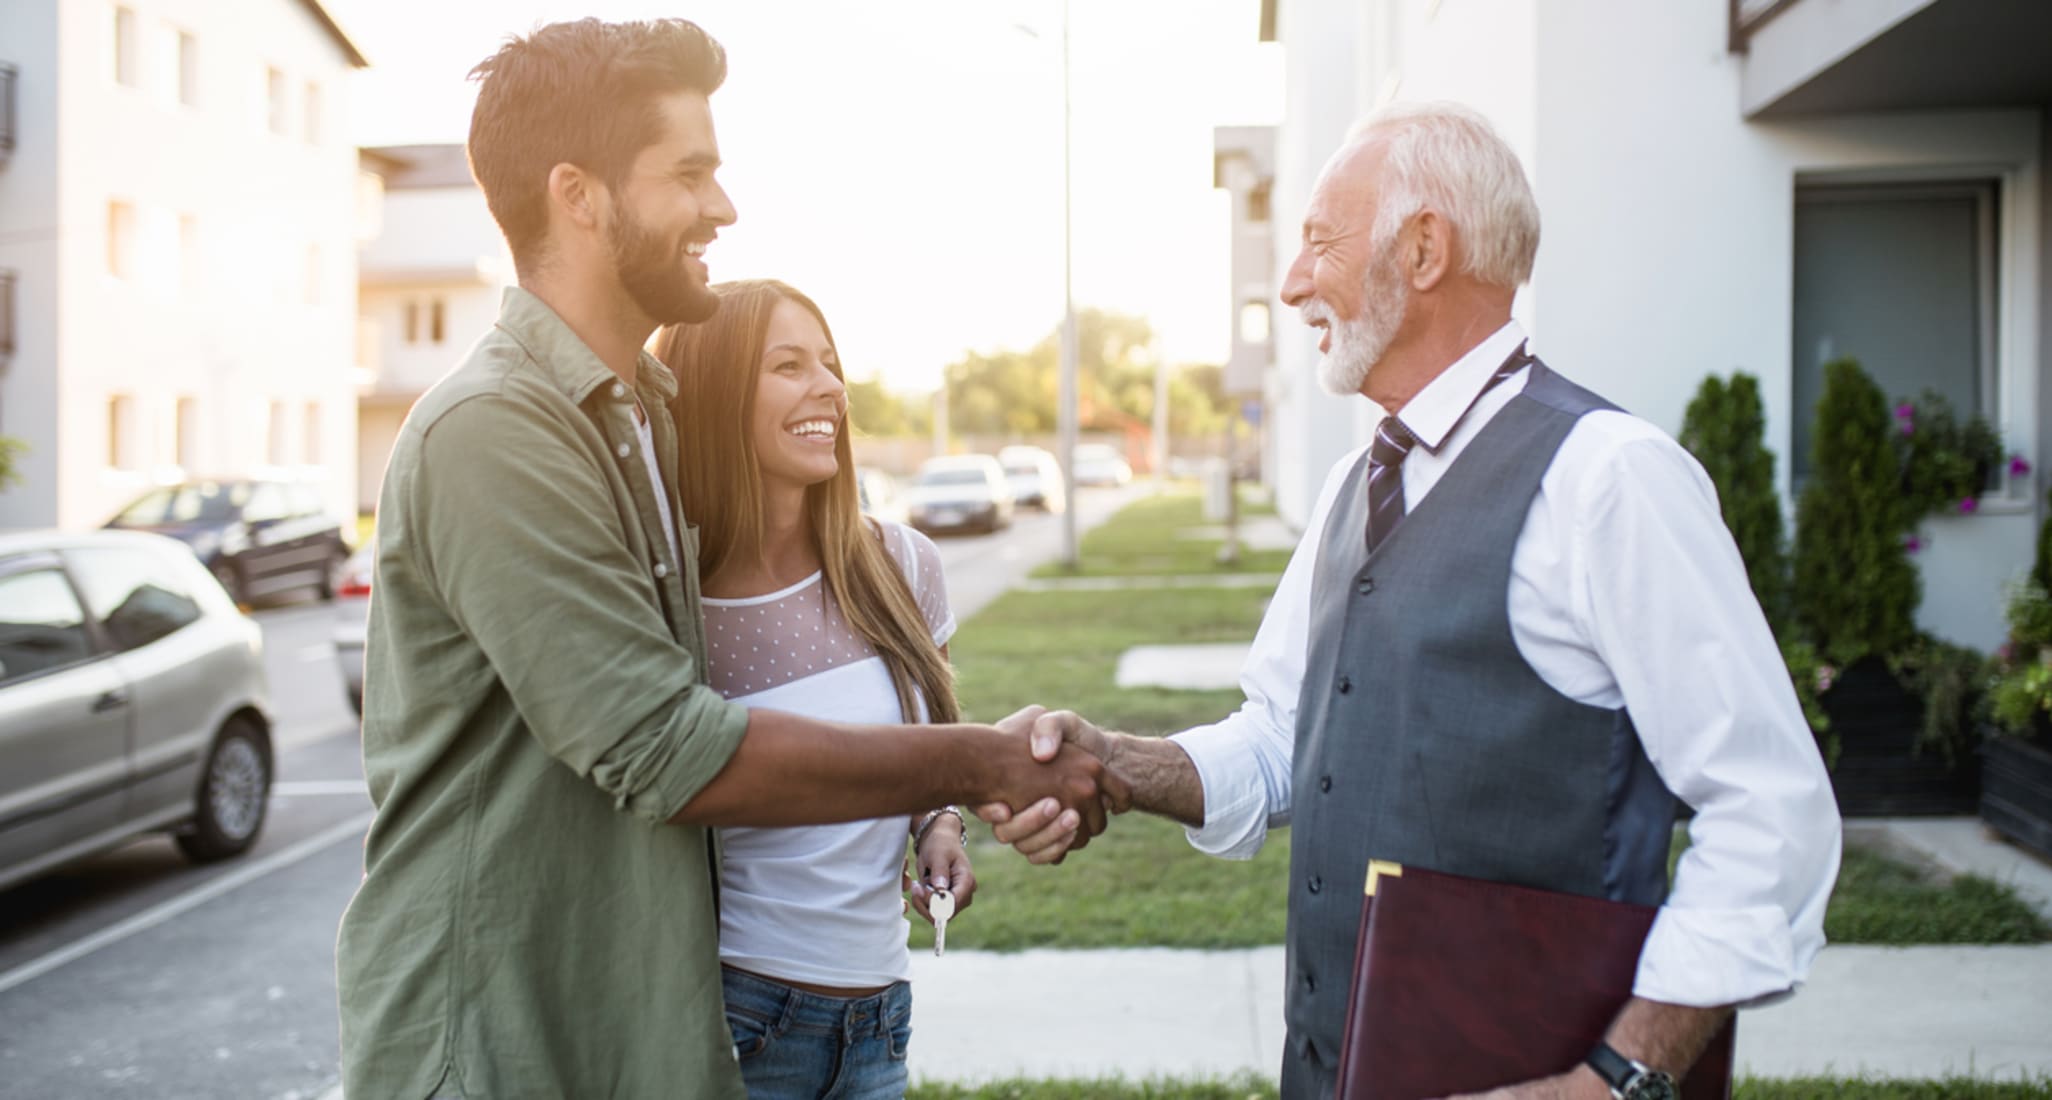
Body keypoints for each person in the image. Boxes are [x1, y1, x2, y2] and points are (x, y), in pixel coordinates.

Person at [986, 101, 1843, 1100]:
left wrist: (1619, 1078)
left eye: (1317, 241)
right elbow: (1284, 739)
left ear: (1424, 248)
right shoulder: (1356, 483)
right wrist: (1114, 761)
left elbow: (1773, 811)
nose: (1294, 280)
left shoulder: (1611, 477)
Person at [335, 20, 1123, 1099]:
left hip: (620, 1027)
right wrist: (975, 760)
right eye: (691, 174)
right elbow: (666, 745)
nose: (725, 207)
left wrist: (938, 805)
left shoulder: (636, 423)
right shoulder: (495, 431)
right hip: (492, 1037)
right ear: (581, 194)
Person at [654, 279, 969, 1099]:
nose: (828, 386)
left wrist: (940, 825)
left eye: (829, 363)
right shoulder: (676, 605)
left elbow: (930, 759)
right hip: (739, 1019)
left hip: (880, 1019)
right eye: (788, 366)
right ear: (718, 395)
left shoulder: (902, 566)